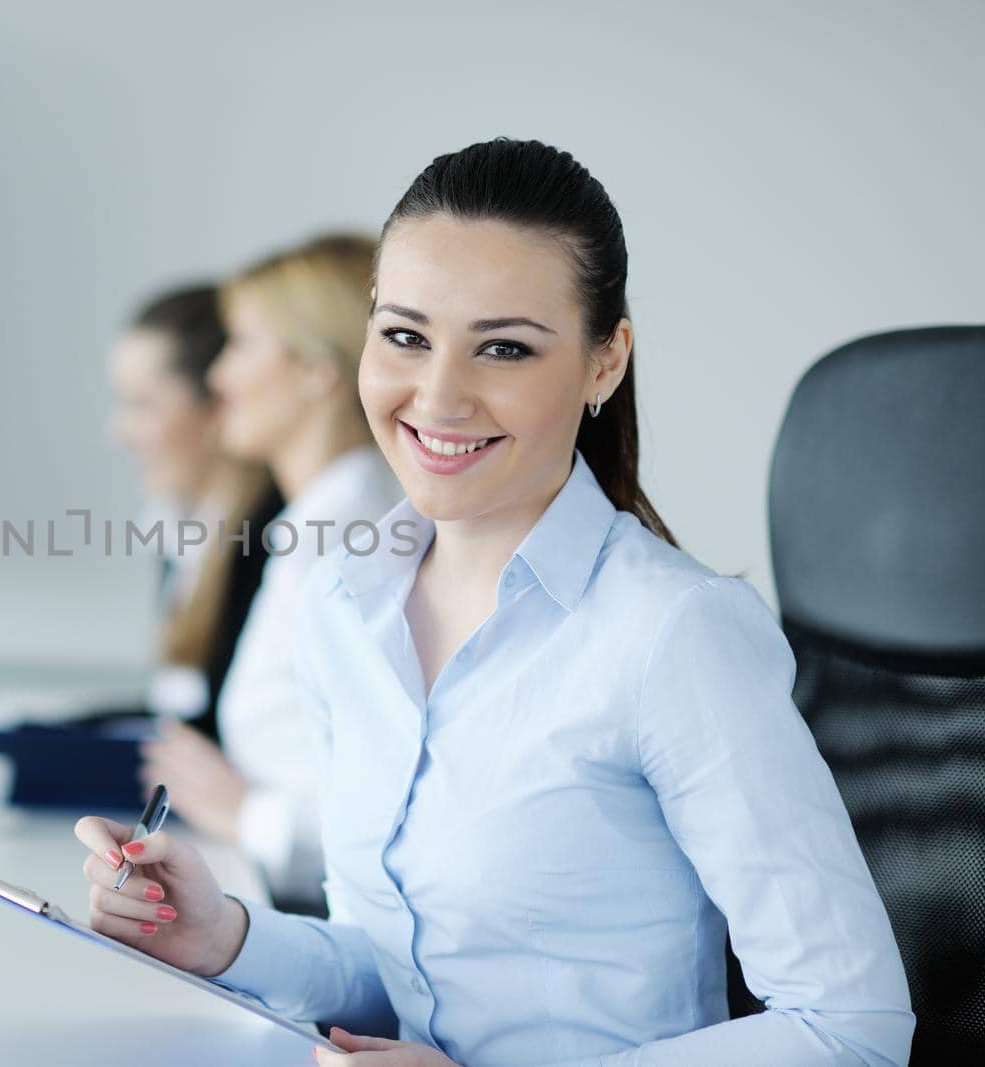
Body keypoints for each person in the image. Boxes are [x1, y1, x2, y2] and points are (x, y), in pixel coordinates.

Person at [75, 139, 914, 1065]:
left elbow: (852, 1029)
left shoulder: (672, 633)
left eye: (504, 348)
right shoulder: (346, 606)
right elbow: (394, 969)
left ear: (605, 363)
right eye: (405, 335)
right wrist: (227, 936)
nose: (439, 396)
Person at [137, 235, 402, 914]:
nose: (219, 378)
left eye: (243, 345)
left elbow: (402, 799)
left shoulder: (354, 537)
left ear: (318, 370)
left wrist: (248, 814)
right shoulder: (319, 520)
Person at [106, 283, 283, 743]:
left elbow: (211, 734)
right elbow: (173, 716)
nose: (119, 432)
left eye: (143, 405)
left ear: (217, 405)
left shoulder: (272, 535)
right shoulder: (179, 527)